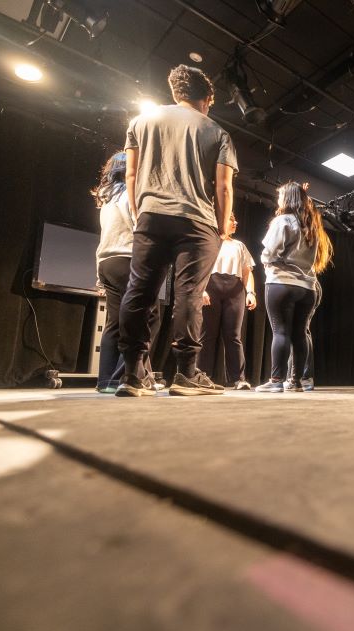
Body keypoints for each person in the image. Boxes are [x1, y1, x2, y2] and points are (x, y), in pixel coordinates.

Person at [116, 64, 237, 397]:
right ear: (207, 98)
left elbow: (131, 174)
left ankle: (132, 374)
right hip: (196, 221)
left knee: (139, 291)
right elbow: (223, 186)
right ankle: (185, 374)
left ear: (176, 93)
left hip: (151, 215)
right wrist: (223, 225)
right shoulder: (217, 131)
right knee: (189, 295)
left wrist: (139, 209)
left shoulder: (141, 122)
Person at [92, 152, 160, 393]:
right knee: (148, 317)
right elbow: (138, 227)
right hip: (128, 259)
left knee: (114, 323)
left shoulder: (107, 198)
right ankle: (128, 376)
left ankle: (106, 381)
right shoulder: (131, 194)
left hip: (107, 262)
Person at [256, 181, 333, 392]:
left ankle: (276, 381)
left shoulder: (283, 221)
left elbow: (269, 252)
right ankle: (296, 382)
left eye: (280, 195)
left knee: (280, 332)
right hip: (307, 288)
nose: (278, 199)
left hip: (282, 283)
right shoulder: (312, 226)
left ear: (287, 198)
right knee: (299, 334)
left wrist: (266, 261)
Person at [199, 213, 256, 390]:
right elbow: (199, 269)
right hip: (211, 287)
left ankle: (238, 378)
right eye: (231, 219)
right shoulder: (209, 242)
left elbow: (247, 272)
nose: (235, 222)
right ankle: (202, 376)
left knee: (233, 336)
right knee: (207, 334)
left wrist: (251, 292)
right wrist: (202, 290)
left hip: (235, 290)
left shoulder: (239, 245)